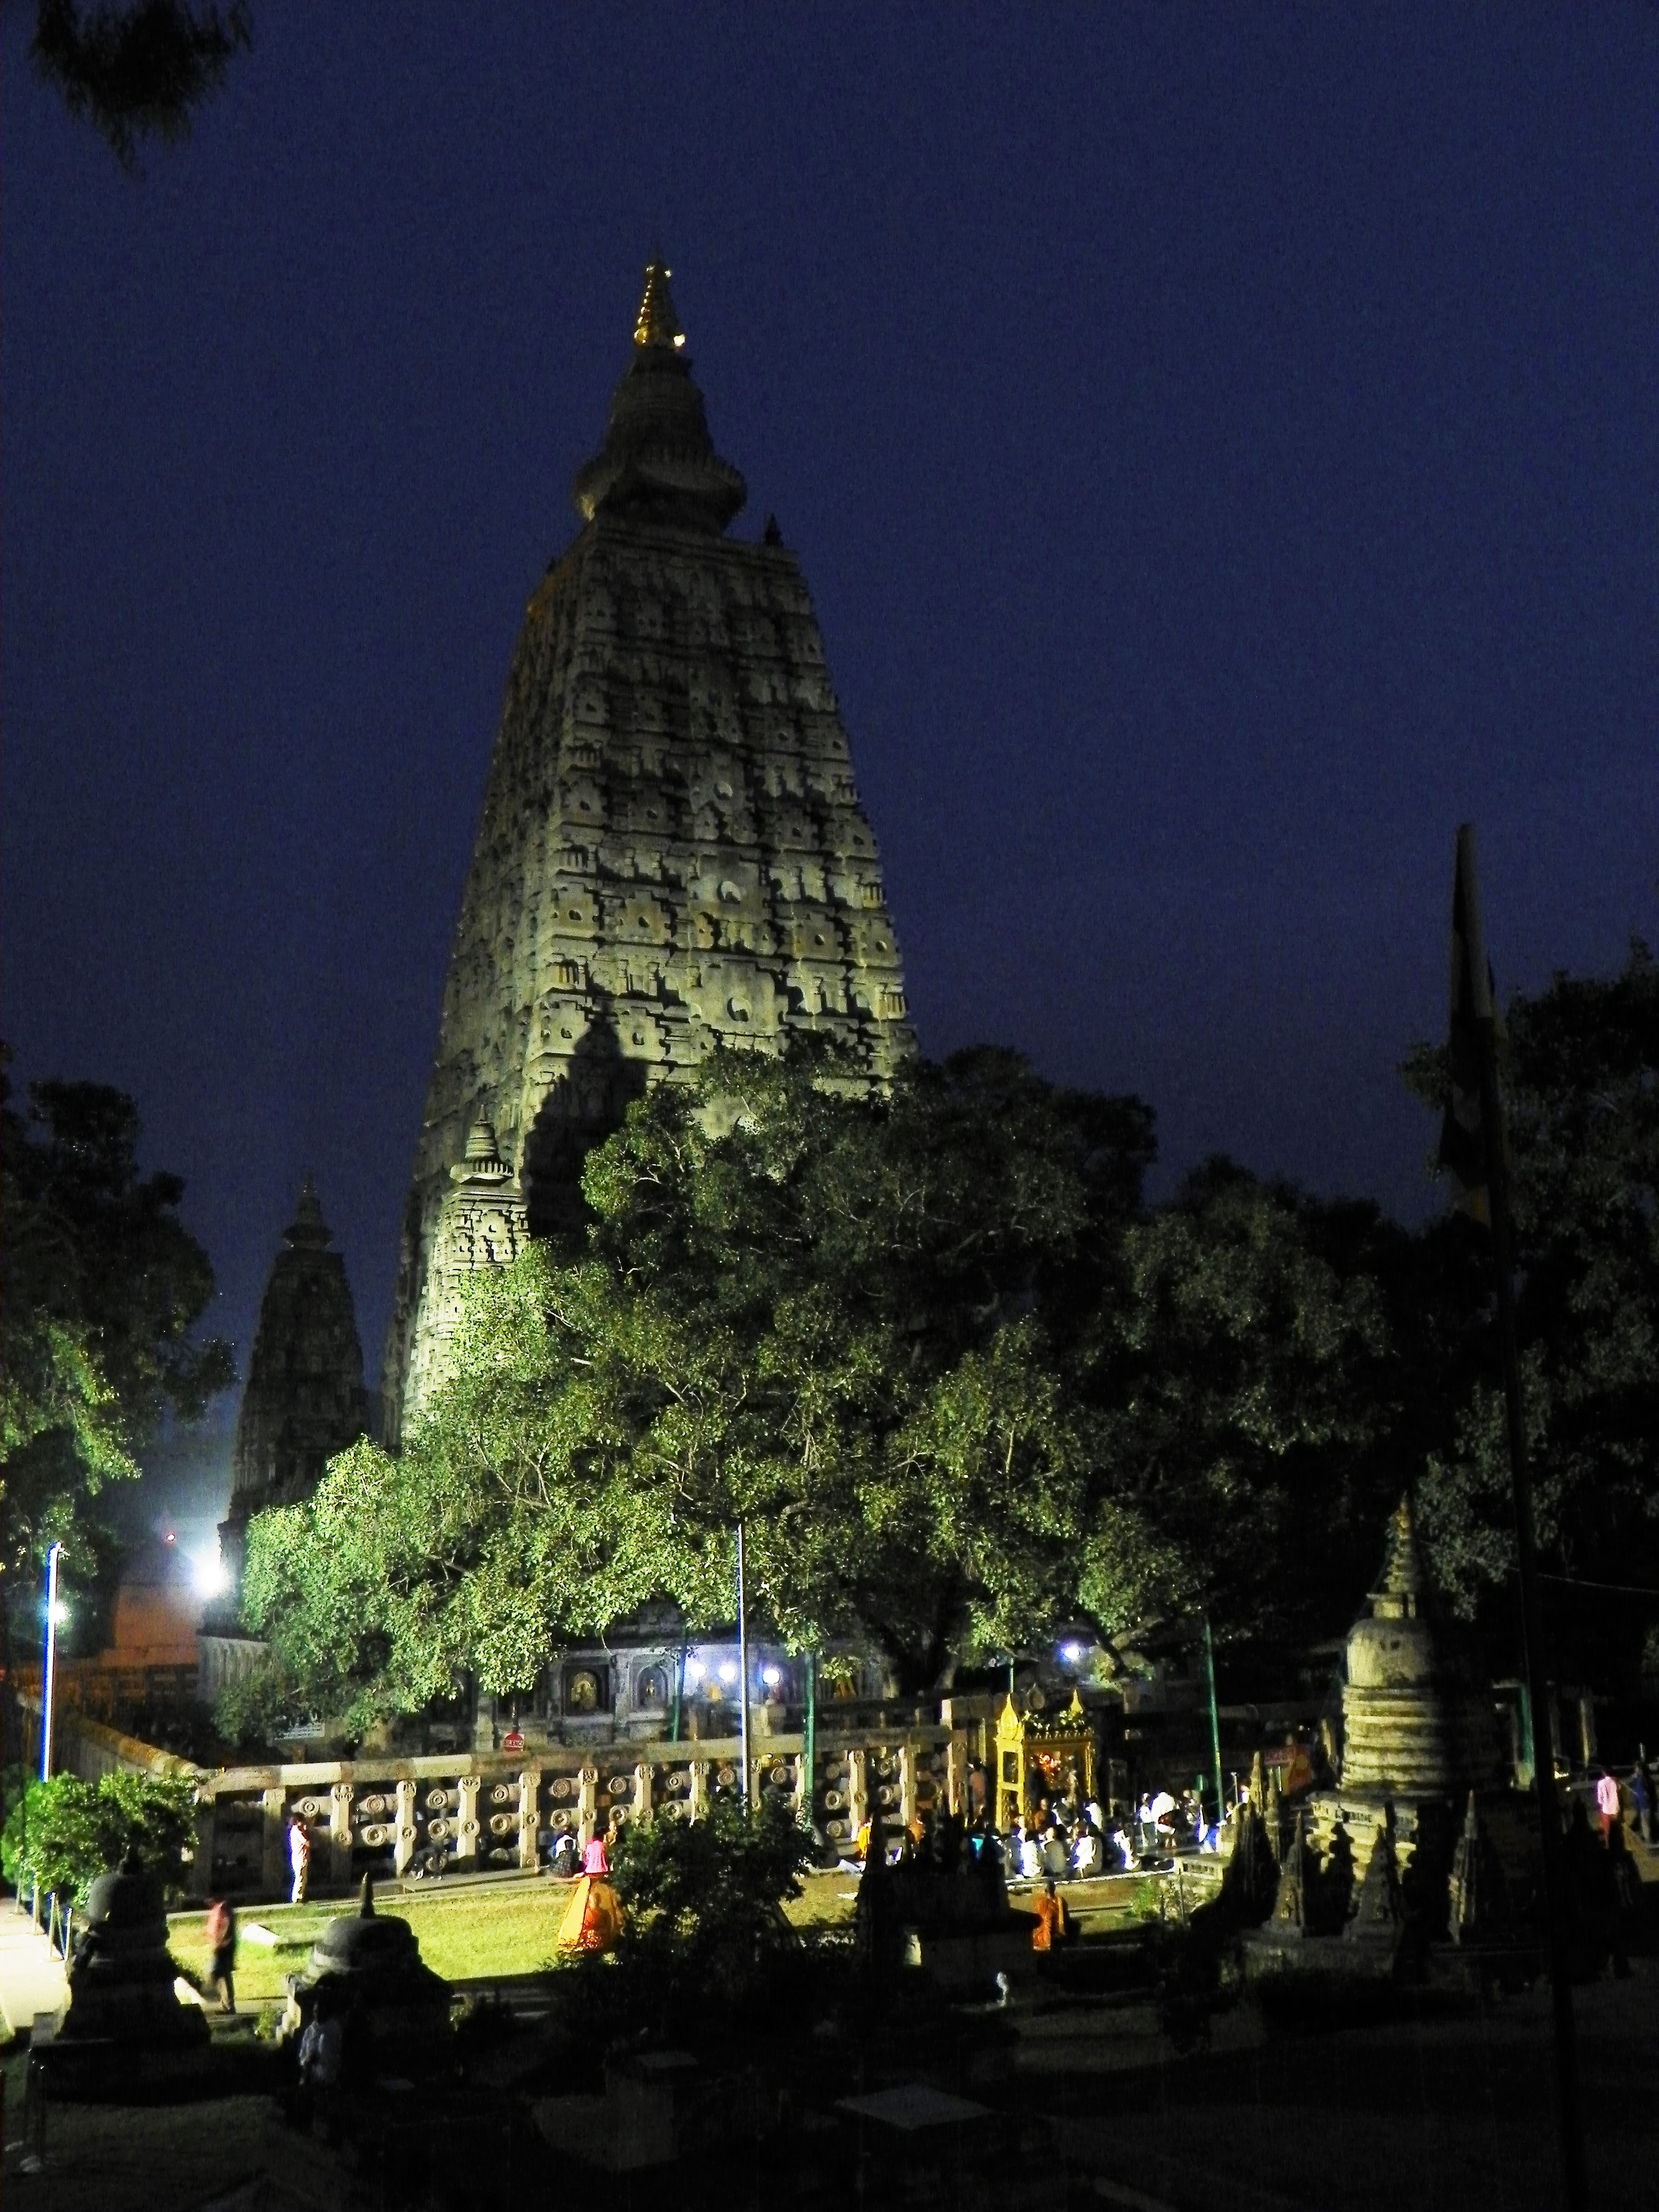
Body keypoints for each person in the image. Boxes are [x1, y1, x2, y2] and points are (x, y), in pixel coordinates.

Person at [556, 1821, 624, 1952]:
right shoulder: (604, 1846)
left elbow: (587, 1862)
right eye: (612, 1831)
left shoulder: (590, 1845)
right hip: (601, 1874)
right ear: (605, 1836)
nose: (614, 1833)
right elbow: (607, 1862)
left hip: (589, 1875)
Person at [204, 1896, 237, 2014]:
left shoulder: (223, 1909)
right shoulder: (218, 1909)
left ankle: (225, 2004)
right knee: (223, 1975)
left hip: (223, 1947)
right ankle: (227, 2006)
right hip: (221, 1946)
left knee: (216, 1973)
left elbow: (225, 1926)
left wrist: (219, 1942)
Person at [288, 1814, 311, 1906]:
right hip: (300, 1858)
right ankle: (297, 1898)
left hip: (298, 1858)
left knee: (301, 1878)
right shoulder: (298, 1831)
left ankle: (299, 1897)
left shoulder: (294, 1830)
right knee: (300, 1879)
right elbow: (307, 1842)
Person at [1594, 1767, 1621, 1841]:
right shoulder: (1615, 1782)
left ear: (1604, 1773)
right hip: (1615, 1809)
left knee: (1607, 1830)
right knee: (1615, 1830)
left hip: (1606, 1809)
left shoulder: (1601, 1783)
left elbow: (1600, 1798)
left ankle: (1608, 1845)